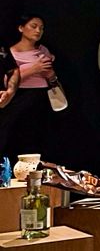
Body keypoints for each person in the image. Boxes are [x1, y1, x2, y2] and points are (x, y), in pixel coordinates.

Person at [0, 16, 60, 165]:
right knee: (16, 140)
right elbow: (7, 79)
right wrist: (34, 69)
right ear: (21, 28)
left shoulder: (43, 51)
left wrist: (51, 75)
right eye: (33, 26)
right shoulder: (11, 52)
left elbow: (51, 77)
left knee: (39, 142)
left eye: (41, 28)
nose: (38, 30)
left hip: (42, 99)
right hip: (19, 99)